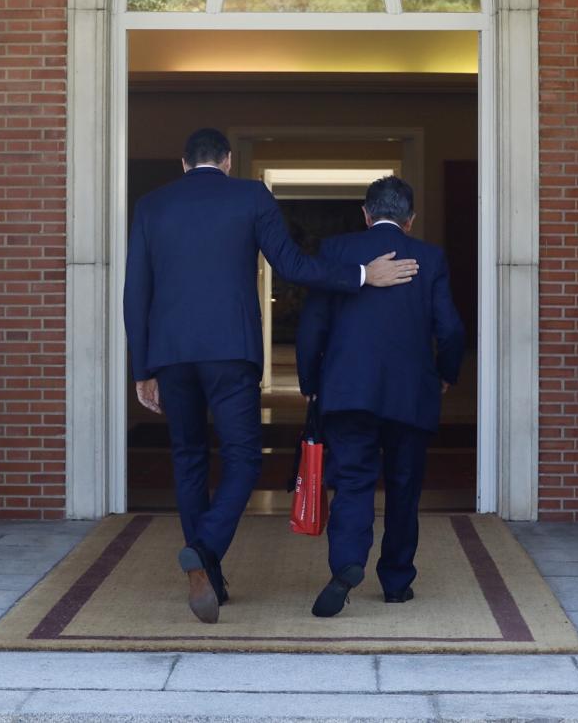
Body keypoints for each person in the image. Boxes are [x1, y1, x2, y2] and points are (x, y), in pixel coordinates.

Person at [123, 129, 420, 624]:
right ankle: (206, 547)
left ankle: (208, 571)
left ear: (182, 163)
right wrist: (363, 275)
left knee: (188, 457)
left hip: (171, 354)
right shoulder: (249, 195)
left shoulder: (152, 205)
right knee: (242, 458)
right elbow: (293, 265)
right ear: (228, 160)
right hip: (231, 352)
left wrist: (142, 368)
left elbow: (136, 292)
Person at [295, 175, 465, 617]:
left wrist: (310, 383)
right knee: (404, 488)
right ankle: (396, 583)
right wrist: (445, 374)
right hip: (410, 395)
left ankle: (347, 565)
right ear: (410, 221)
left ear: (366, 214)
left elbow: (312, 326)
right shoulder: (428, 257)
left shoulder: (336, 252)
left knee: (352, 482)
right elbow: (450, 329)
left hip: (348, 392)